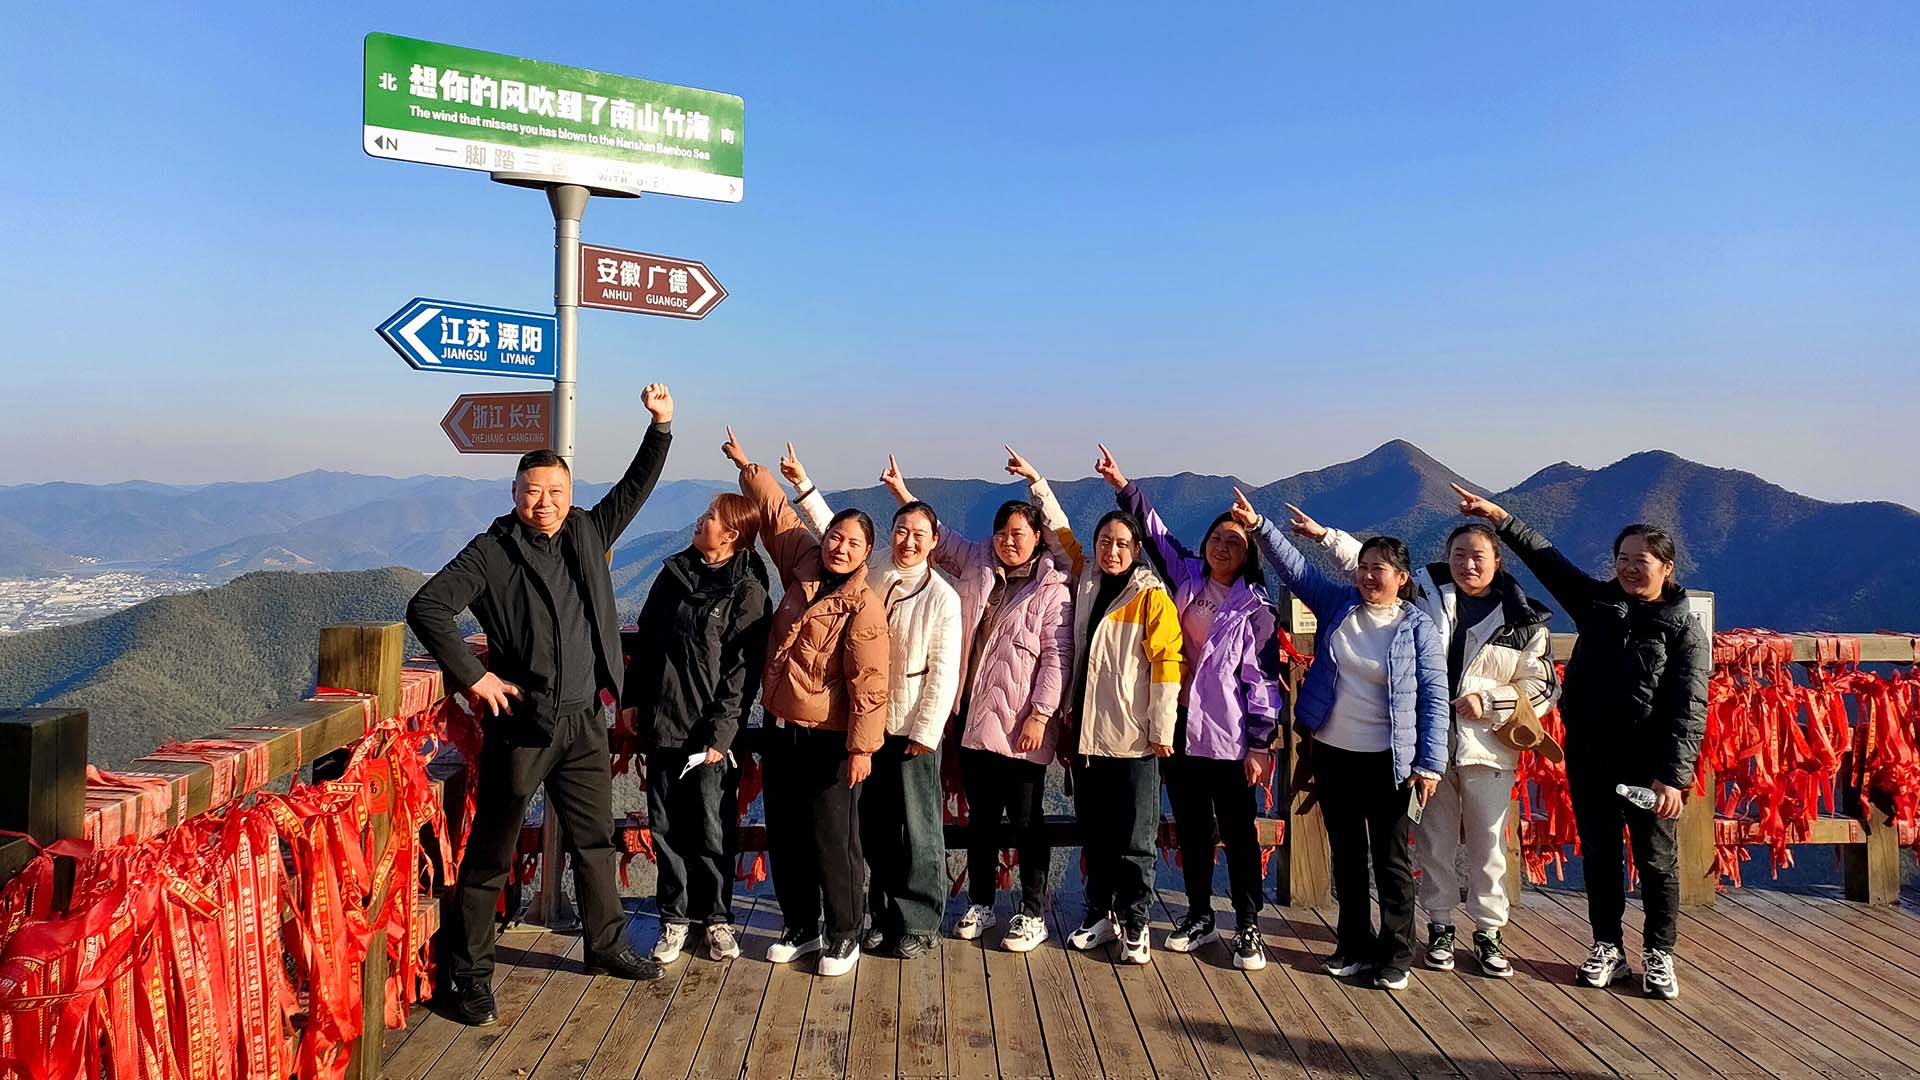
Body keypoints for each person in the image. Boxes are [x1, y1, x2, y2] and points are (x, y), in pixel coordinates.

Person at [406, 385, 676, 1026]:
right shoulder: (491, 552)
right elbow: (428, 607)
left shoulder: (585, 529)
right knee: (492, 853)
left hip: (586, 720)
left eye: (556, 492)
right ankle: (468, 977)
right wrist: (475, 677)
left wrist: (660, 428)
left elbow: (634, 491)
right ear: (515, 493)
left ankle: (606, 947)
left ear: (569, 495)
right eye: (533, 491)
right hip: (522, 723)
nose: (545, 503)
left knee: (594, 844)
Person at [1452, 483, 1708, 1001]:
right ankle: (1607, 947)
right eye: (1623, 558)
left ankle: (1659, 954)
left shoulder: (1684, 629)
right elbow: (1549, 561)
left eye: (1642, 560)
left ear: (1668, 568)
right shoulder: (1598, 603)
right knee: (1600, 854)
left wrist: (1674, 776)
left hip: (1649, 764)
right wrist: (1501, 518)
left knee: (1657, 860)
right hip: (1592, 755)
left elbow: (1689, 709)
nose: (1631, 567)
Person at [1288, 503, 1556, 978]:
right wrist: (1323, 535)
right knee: (1430, 841)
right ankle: (1440, 926)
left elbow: (1545, 686)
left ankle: (1489, 932)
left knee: (1488, 841)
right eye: (1458, 554)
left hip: (1483, 746)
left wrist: (1491, 702)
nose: (1467, 564)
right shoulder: (1430, 596)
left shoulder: (1523, 618)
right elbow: (1372, 569)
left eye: (1477, 556)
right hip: (1414, 747)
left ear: (1498, 562)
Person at [1232, 488, 1448, 991]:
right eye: (1366, 566)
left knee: (1392, 859)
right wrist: (1261, 526)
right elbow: (1296, 572)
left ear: (1401, 578)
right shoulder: (1339, 605)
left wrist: (1430, 765)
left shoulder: (1418, 629)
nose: (1371, 575)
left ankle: (1396, 952)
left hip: (1390, 761)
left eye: (1382, 569)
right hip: (1333, 752)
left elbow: (1435, 701)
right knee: (1348, 855)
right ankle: (1352, 944)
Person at [1094, 445, 1281, 970]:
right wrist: (1122, 485)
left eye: (1235, 542)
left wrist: (1261, 744)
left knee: (1240, 835)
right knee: (1194, 830)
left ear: (1248, 555)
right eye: (1217, 538)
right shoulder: (1187, 578)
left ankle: (1248, 925)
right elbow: (1152, 533)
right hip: (1179, 731)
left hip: (1230, 737)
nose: (1223, 547)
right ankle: (1200, 915)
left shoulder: (1257, 607)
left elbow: (1264, 679)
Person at [882, 449, 1073, 954]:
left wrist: (1040, 713)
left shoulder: (1054, 589)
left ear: (1037, 539)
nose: (1009, 542)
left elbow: (1058, 655)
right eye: (1003, 533)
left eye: (1020, 534)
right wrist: (903, 494)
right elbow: (936, 538)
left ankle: (1032, 911)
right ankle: (983, 901)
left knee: (1028, 822)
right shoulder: (977, 562)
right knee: (983, 818)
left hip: (1022, 723)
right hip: (971, 718)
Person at [779, 442, 963, 960]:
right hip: (868, 724)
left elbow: (944, 673)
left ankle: (921, 919)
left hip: (909, 725)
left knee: (921, 829)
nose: (907, 541)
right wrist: (803, 484)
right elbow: (834, 535)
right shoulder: (876, 567)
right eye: (901, 531)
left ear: (933, 542)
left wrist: (927, 734)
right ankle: (881, 915)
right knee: (875, 826)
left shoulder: (942, 597)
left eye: (918, 535)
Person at [721, 427, 889, 978]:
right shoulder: (805, 564)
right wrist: (750, 467)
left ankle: (845, 934)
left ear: (867, 554)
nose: (839, 547)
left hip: (830, 741)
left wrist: (862, 749)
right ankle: (800, 924)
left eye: (852, 543)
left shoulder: (862, 606)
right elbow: (775, 515)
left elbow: (870, 683)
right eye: (836, 536)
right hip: (781, 727)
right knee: (787, 830)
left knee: (834, 840)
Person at [1029, 472, 1183, 966]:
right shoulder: (1087, 579)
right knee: (1096, 833)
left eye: (1121, 543)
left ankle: (1135, 922)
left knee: (1136, 840)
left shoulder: (1149, 596)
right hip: (1091, 740)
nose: (1111, 550)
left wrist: (1162, 730)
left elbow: (1167, 664)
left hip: (1135, 739)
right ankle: (1101, 913)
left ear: (1136, 548)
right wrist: (1037, 484)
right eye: (1104, 542)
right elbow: (1057, 533)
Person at [620, 492, 772, 965]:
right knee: (665, 826)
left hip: (710, 734)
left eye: (710, 517)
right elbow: (645, 642)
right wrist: (631, 700)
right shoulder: (674, 574)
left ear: (730, 535)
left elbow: (740, 674)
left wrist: (720, 737)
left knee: (712, 827)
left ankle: (717, 918)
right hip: (665, 721)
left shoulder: (747, 590)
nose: (700, 520)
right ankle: (675, 918)